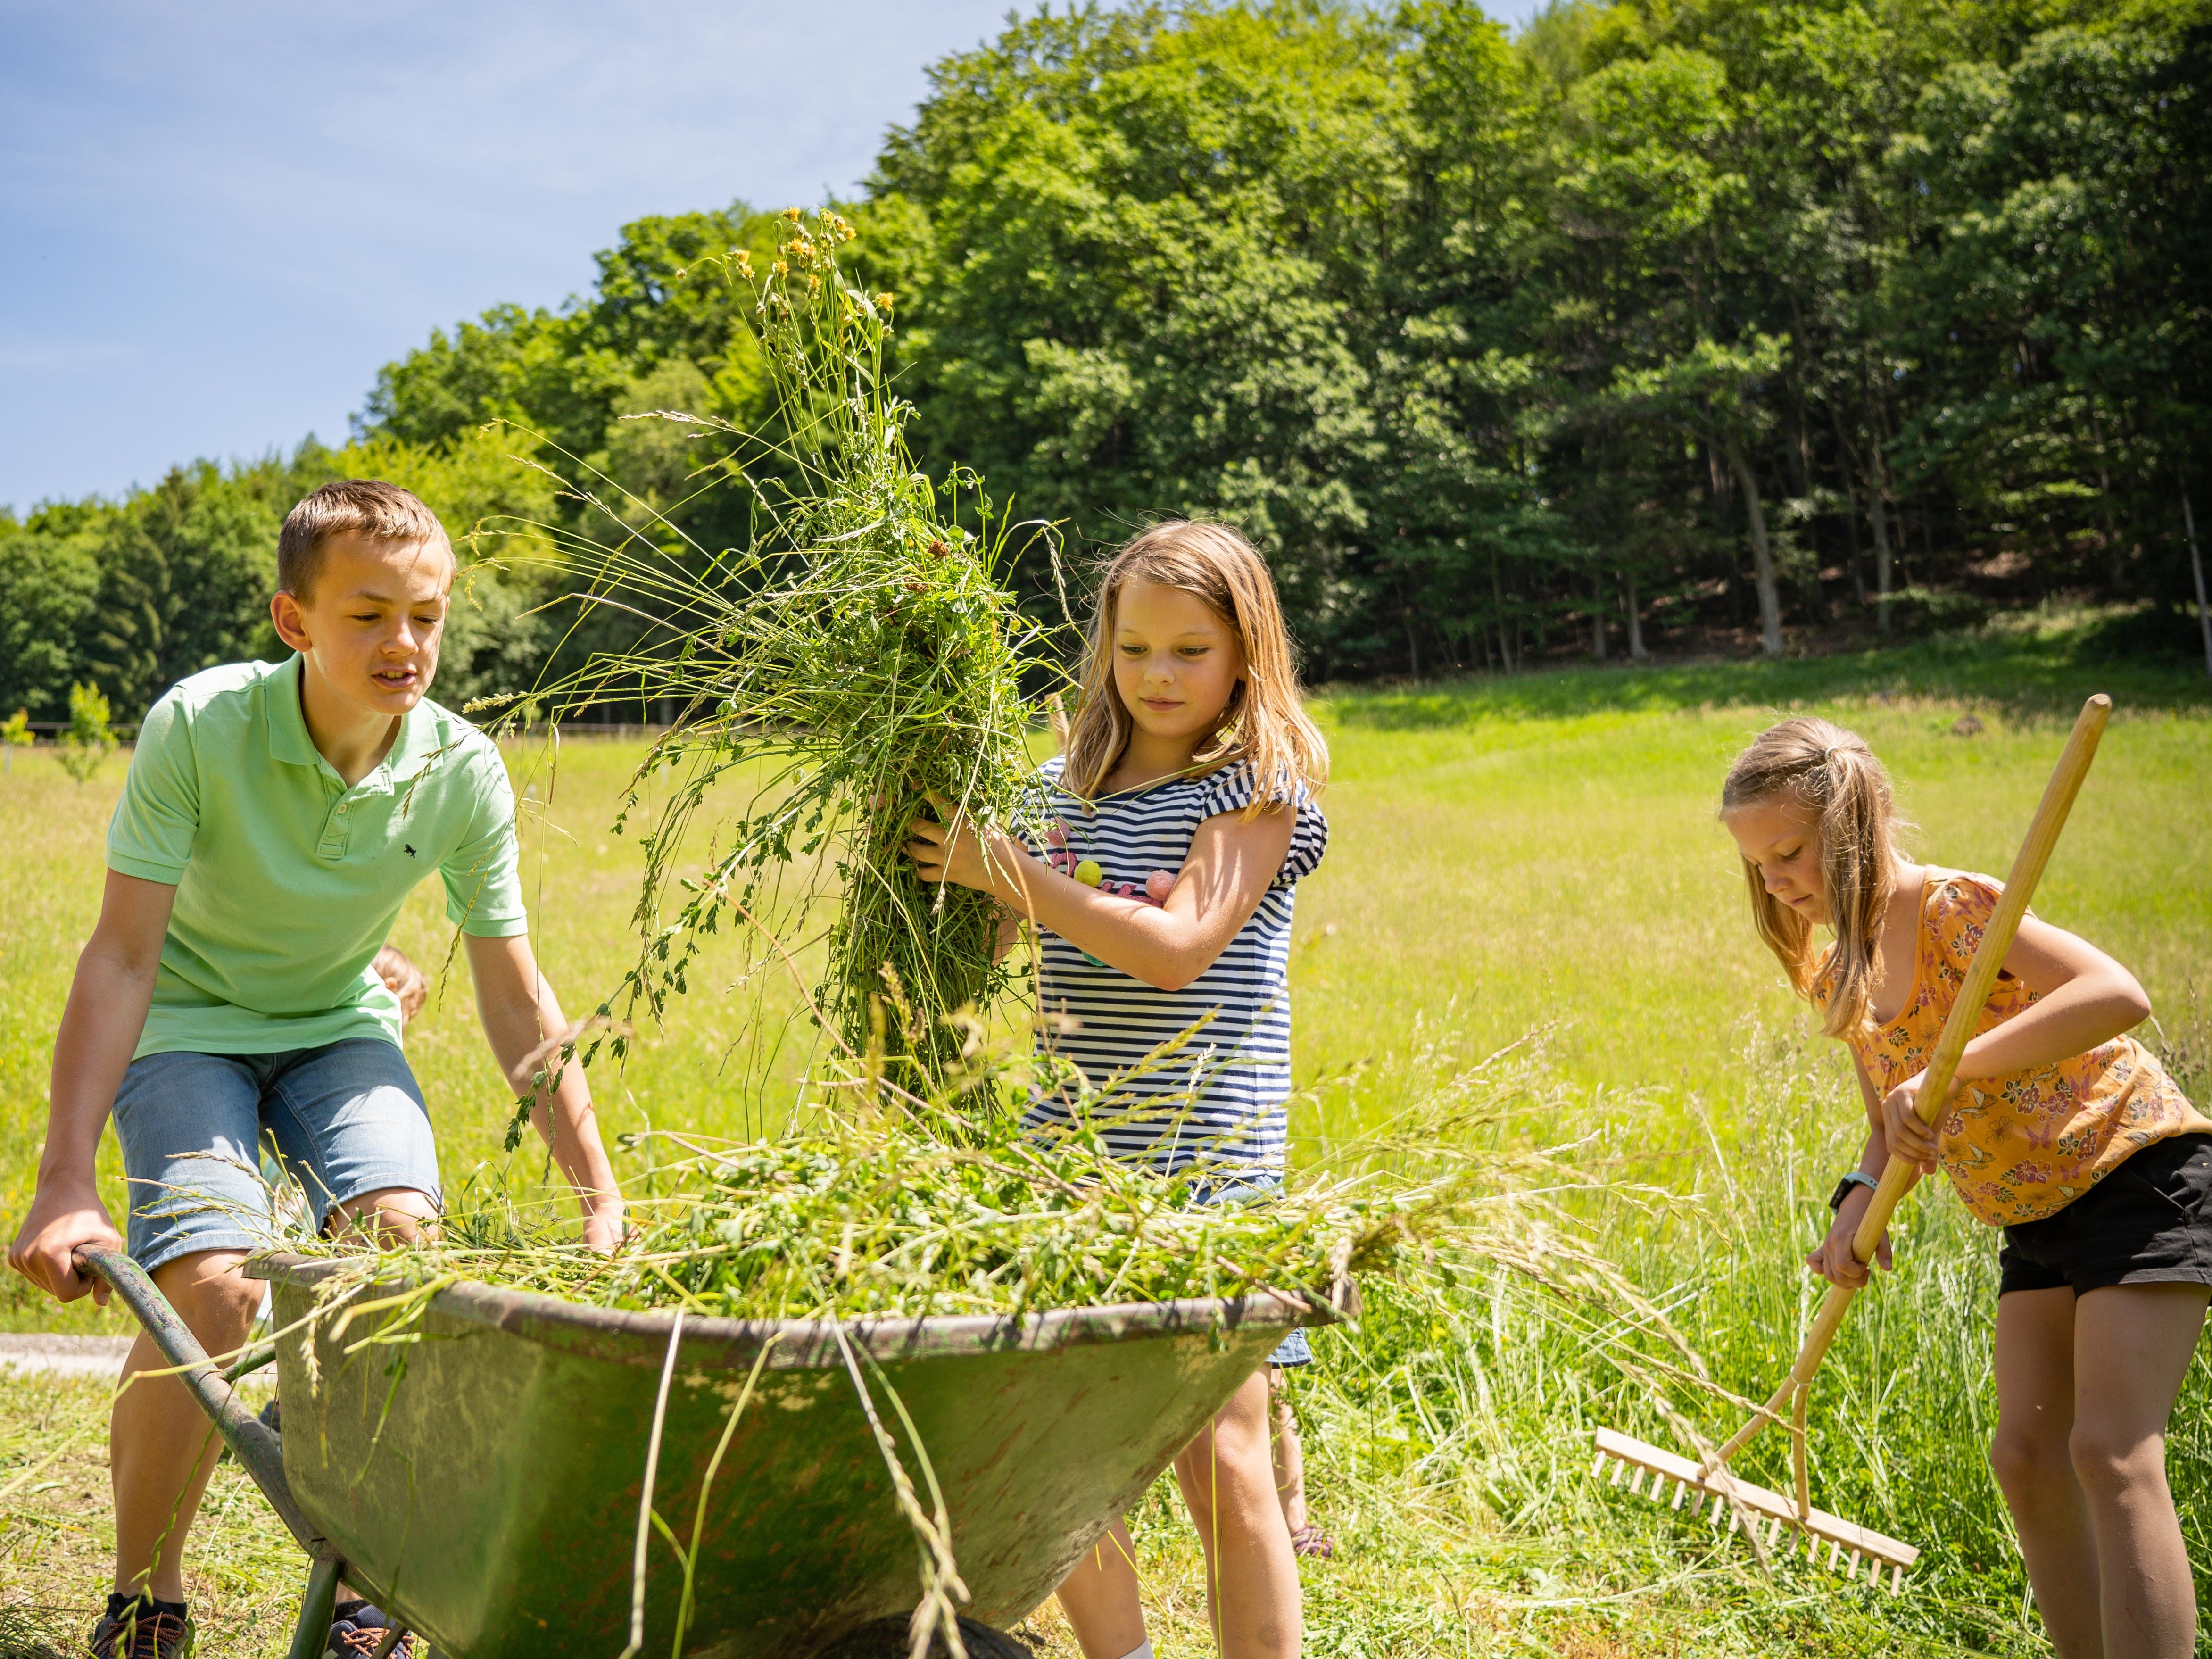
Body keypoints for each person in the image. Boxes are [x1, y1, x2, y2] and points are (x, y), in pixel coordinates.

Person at [6, 480, 627, 1659]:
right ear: (296, 621)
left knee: (399, 1257)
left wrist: (596, 1188)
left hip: (340, 1023)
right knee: (215, 1287)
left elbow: (513, 993)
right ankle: (147, 1590)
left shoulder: (460, 768)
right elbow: (124, 956)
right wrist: (63, 1179)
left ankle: (366, 1588)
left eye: (427, 617)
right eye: (369, 614)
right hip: (187, 1022)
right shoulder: (201, 724)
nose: (405, 644)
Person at [906, 520, 1327, 1659]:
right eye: (1134, 647)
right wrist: (961, 865)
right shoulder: (1059, 787)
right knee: (1062, 1446)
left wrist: (1014, 871)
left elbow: (1179, 946)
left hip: (1210, 1155)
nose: (1157, 675)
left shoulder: (1258, 785)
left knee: (1219, 1447)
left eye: (1190, 650)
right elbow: (999, 939)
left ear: (1247, 650)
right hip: (1071, 1154)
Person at [1721, 716, 2211, 1659]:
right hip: (2031, 1214)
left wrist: (1961, 1065)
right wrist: (1858, 1201)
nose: (1777, 882)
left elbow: (2118, 992)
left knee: (2111, 1452)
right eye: (1758, 867)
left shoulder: (1952, 907)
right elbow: (1887, 1117)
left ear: (1852, 826)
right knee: (2026, 1459)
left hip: (2135, 1170)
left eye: (1787, 853)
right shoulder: (1839, 966)